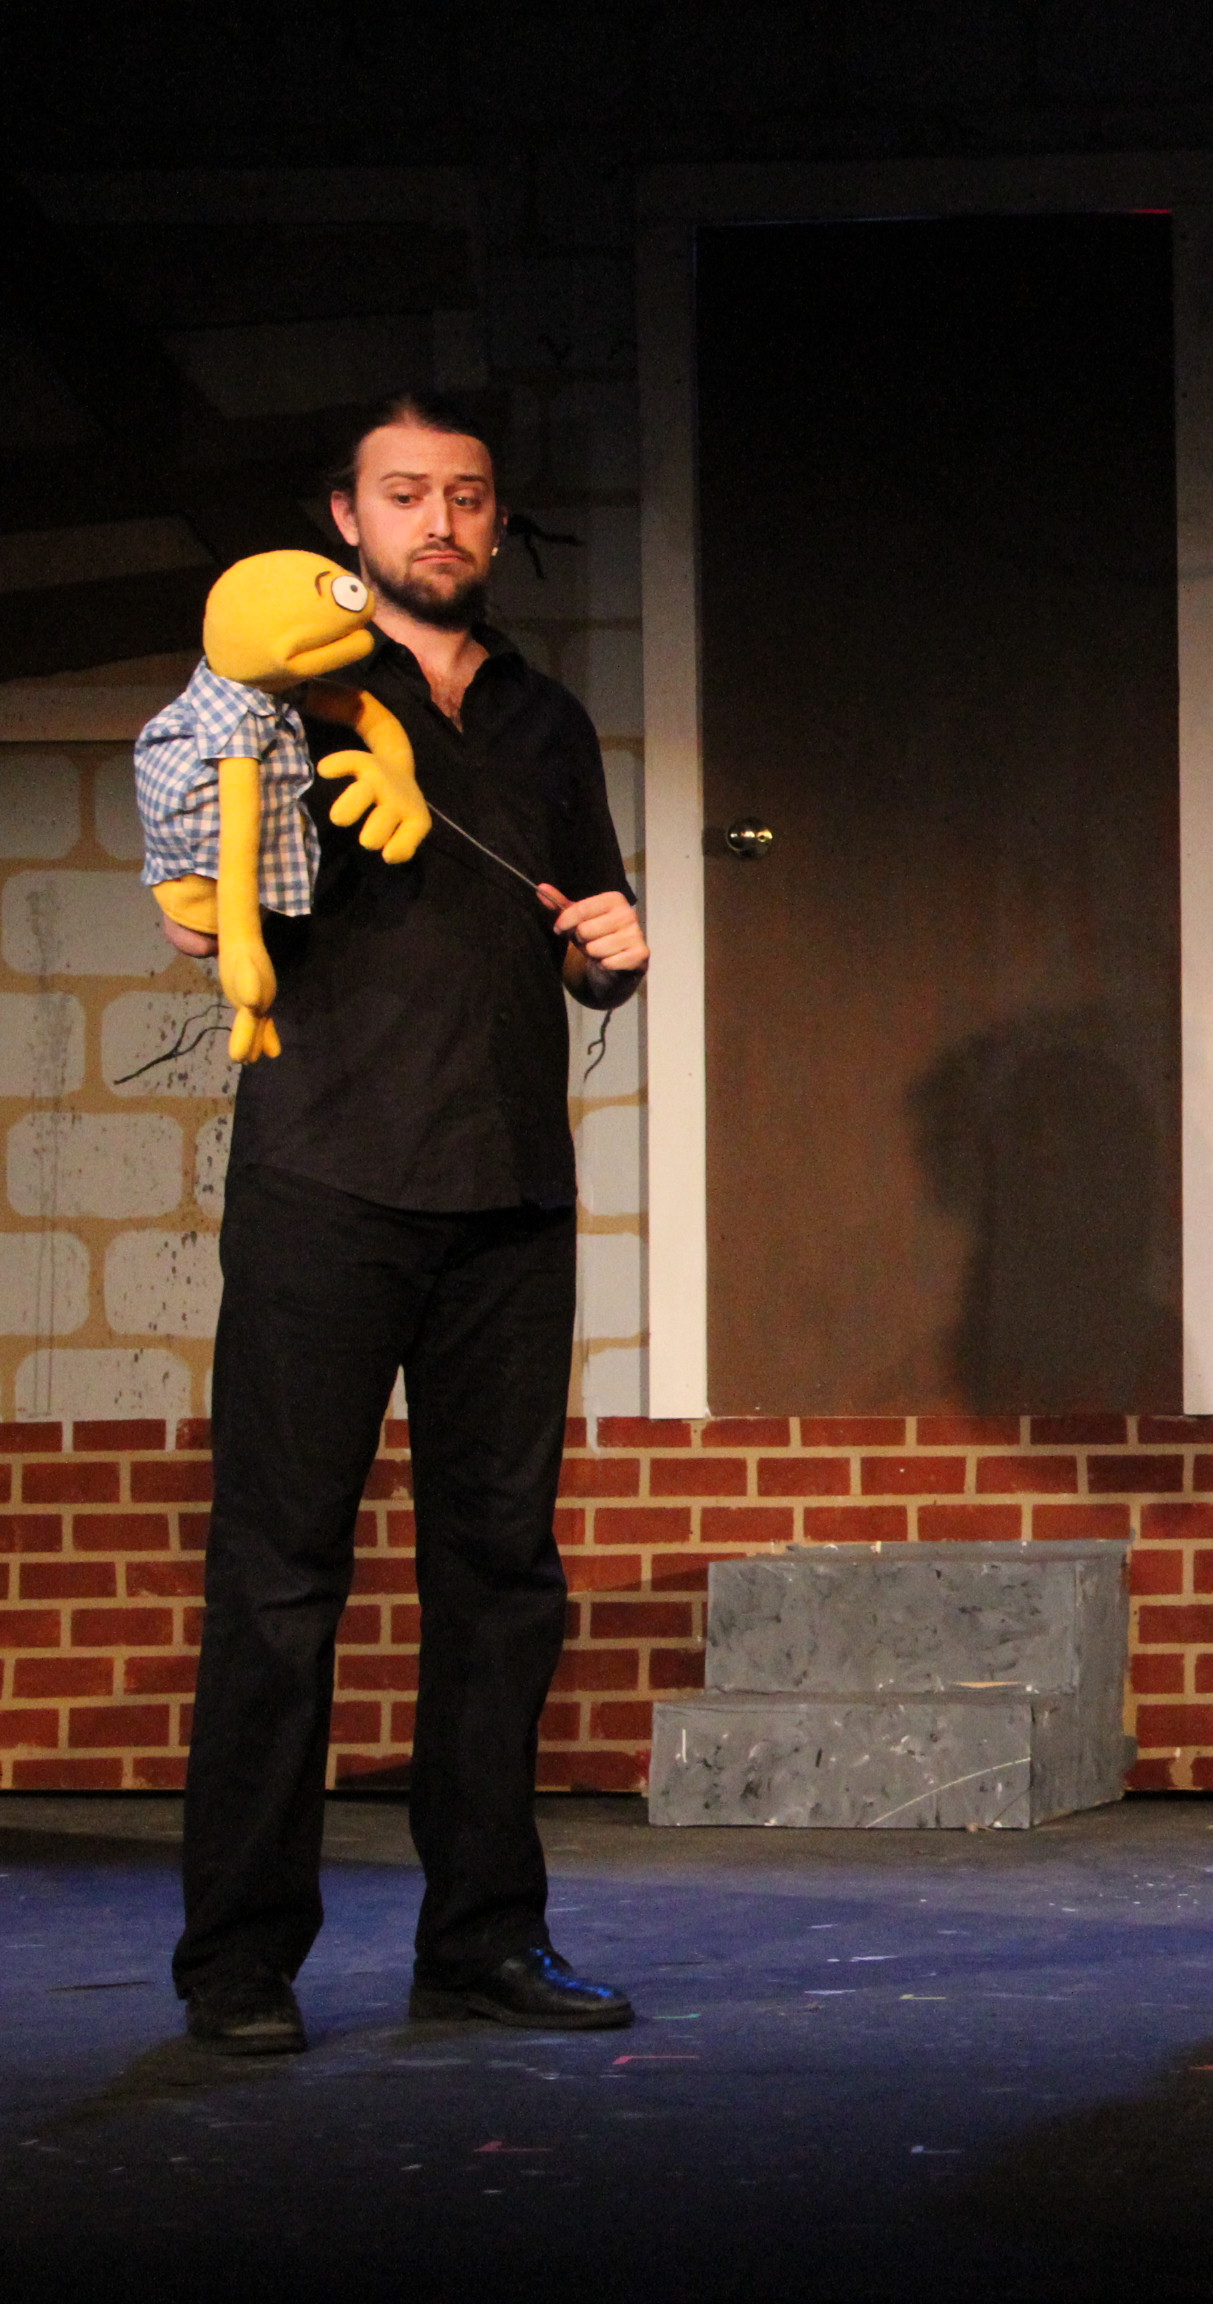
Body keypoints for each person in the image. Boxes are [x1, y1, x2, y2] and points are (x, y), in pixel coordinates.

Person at [152, 393, 649, 2055]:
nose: (441, 522)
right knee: (279, 1578)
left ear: (497, 524)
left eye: (469, 497)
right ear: (346, 522)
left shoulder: (546, 720)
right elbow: (202, 879)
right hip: (325, 1184)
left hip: (509, 1193)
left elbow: (581, 930)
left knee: (501, 1580)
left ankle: (484, 1940)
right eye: (408, 495)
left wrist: (610, 953)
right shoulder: (285, 695)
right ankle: (239, 1963)